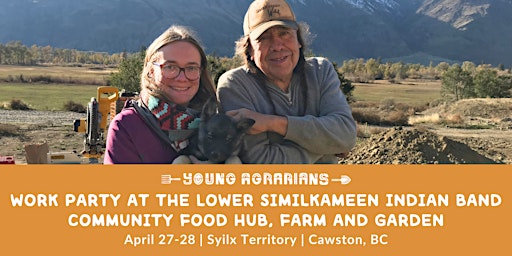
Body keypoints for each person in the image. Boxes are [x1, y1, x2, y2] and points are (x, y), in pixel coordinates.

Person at [217, 0, 357, 164]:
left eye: (284, 33)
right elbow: (261, 162)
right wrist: (328, 149)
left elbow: (346, 135)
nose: (277, 46)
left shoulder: (321, 71)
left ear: (298, 40)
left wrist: (272, 123)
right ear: (250, 50)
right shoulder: (235, 85)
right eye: (264, 38)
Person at [104, 25, 216, 164]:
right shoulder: (128, 126)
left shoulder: (218, 122)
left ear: (201, 72)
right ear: (151, 71)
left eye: (191, 68)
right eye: (170, 67)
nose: (182, 78)